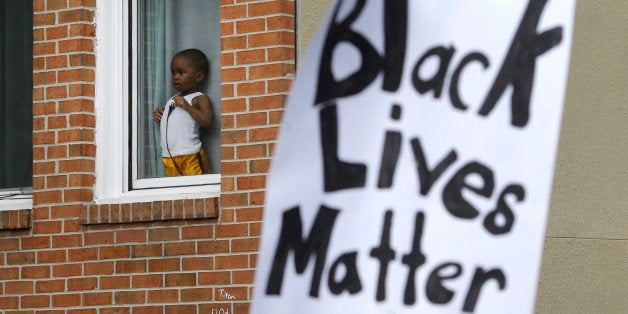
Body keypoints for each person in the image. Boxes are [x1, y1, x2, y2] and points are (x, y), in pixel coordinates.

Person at [152, 48, 213, 176]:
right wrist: (160, 112)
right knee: (176, 193)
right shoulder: (173, 100)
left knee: (198, 191)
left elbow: (207, 121)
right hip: (169, 157)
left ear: (198, 76)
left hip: (190, 155)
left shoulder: (199, 98)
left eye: (181, 72)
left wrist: (187, 106)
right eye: (173, 73)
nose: (175, 77)